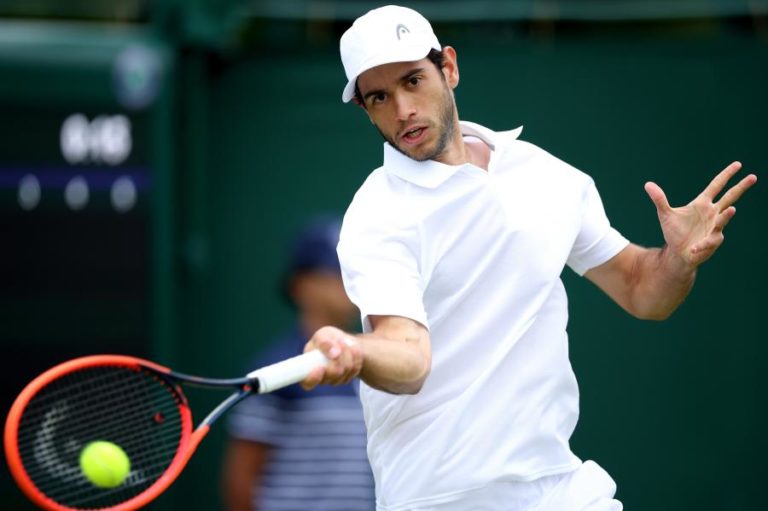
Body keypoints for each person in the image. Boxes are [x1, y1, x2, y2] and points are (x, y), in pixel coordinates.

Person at [300, 5, 758, 511]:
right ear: (365, 109)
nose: (403, 108)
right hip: (436, 498)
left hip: (558, 487)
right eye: (379, 97)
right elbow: (409, 356)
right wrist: (359, 351)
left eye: (413, 80)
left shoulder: (544, 176)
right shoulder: (378, 212)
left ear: (448, 68)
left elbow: (640, 288)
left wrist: (676, 260)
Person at [221, 216, 375, 511]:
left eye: (353, 270)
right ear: (301, 286)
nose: (349, 282)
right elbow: (240, 479)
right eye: (335, 272)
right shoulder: (273, 370)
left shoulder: (376, 364)